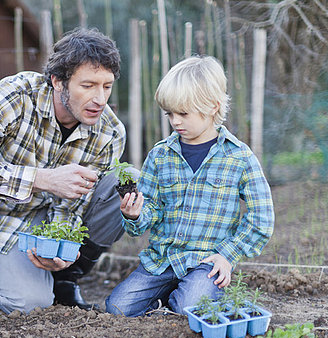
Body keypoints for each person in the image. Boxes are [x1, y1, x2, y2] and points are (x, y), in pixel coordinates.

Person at [0, 27, 135, 314]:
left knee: (127, 181)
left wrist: (61, 248)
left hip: (47, 217)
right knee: (31, 305)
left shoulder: (110, 131)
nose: (100, 99)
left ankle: (65, 278)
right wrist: (40, 179)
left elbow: (73, 205)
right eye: (88, 86)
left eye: (107, 86)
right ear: (58, 81)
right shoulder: (16, 96)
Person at [105, 55, 275, 317]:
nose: (175, 121)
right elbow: (151, 208)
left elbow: (261, 217)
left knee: (191, 307)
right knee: (117, 307)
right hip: (162, 260)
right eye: (169, 114)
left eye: (183, 113)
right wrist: (135, 214)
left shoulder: (238, 157)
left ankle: (191, 294)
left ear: (213, 107)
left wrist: (227, 256)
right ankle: (169, 296)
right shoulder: (161, 155)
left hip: (207, 263)